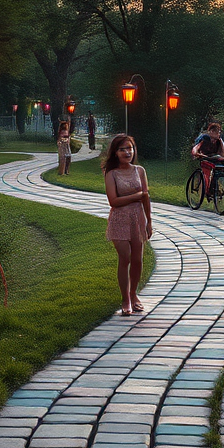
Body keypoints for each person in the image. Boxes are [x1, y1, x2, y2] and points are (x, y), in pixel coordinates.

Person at [103, 133, 152, 316]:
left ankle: (133, 294)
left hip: (138, 219)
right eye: (122, 149)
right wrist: (138, 196)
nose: (127, 152)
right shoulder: (111, 173)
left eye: (129, 148)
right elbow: (113, 201)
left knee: (138, 260)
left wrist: (149, 222)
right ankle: (125, 298)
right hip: (120, 219)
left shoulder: (140, 171)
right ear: (115, 152)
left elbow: (147, 200)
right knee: (125, 258)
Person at [192, 121, 224, 194]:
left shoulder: (219, 141)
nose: (218, 134)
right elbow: (196, 149)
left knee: (218, 169)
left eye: (219, 132)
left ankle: (215, 187)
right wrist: (197, 154)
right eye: (217, 132)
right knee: (206, 170)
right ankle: (205, 188)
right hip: (202, 155)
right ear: (211, 131)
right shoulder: (204, 138)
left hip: (212, 156)